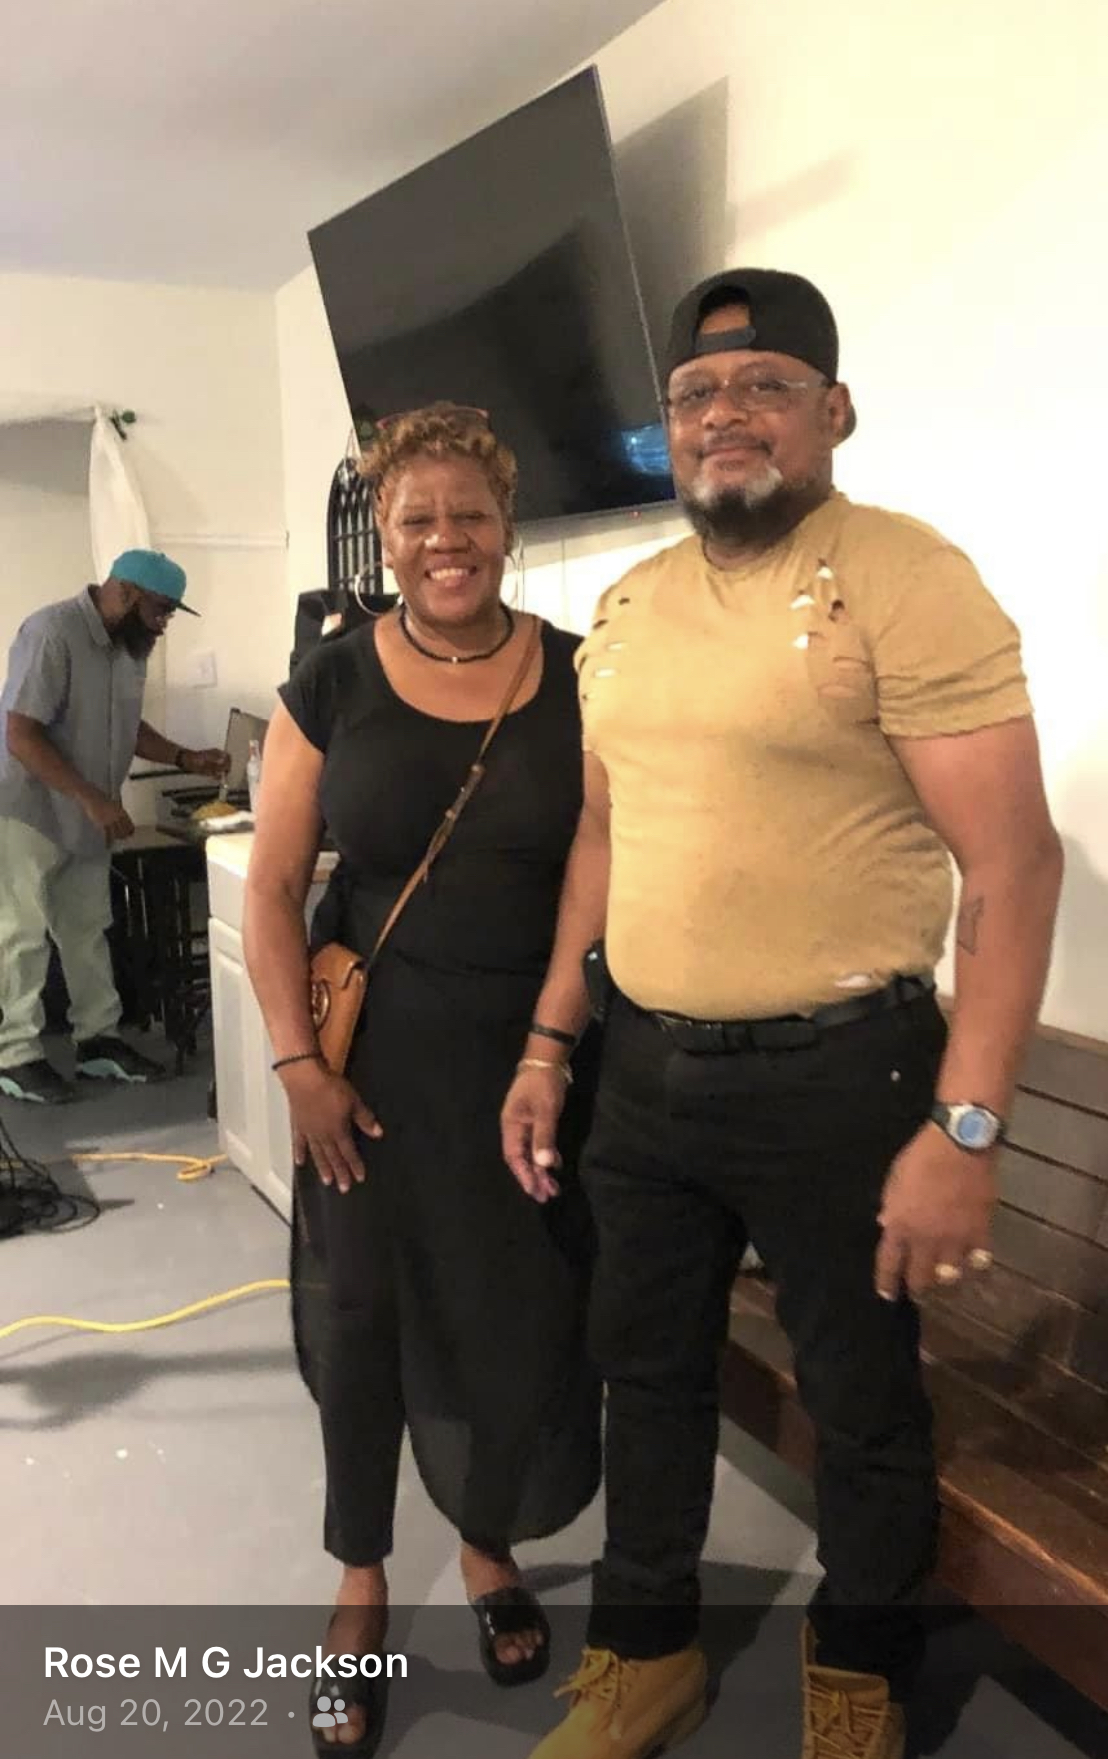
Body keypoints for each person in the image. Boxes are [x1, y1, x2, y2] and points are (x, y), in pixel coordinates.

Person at [502, 269, 1064, 1759]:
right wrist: (554, 1036)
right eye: (695, 394)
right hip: (645, 1071)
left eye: (764, 386)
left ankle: (859, 1672)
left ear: (834, 412)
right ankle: (644, 1654)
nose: (725, 414)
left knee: (860, 1399)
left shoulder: (902, 575)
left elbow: (1015, 863)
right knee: (645, 1373)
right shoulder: (628, 606)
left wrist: (966, 1124)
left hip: (844, 1076)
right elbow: (606, 833)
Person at [243, 404, 600, 1755]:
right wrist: (296, 1065)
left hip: (529, 1060)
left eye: (470, 513)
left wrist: (552, 1044)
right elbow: (274, 885)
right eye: (417, 518)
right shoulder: (331, 682)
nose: (446, 538)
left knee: (507, 1312)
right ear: (383, 538)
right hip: (372, 1069)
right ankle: (360, 1583)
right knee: (365, 1317)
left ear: (508, 524)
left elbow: (597, 868)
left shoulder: (579, 672)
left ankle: (486, 1540)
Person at [0, 549, 229, 1103]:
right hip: (28, 811)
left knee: (87, 930)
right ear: (125, 592)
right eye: (161, 608)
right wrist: (92, 800)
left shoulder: (130, 647)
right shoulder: (51, 633)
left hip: (88, 816)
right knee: (22, 935)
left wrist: (184, 757)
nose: (165, 621)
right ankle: (16, 1056)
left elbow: (129, 725)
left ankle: (98, 1041)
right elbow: (20, 734)